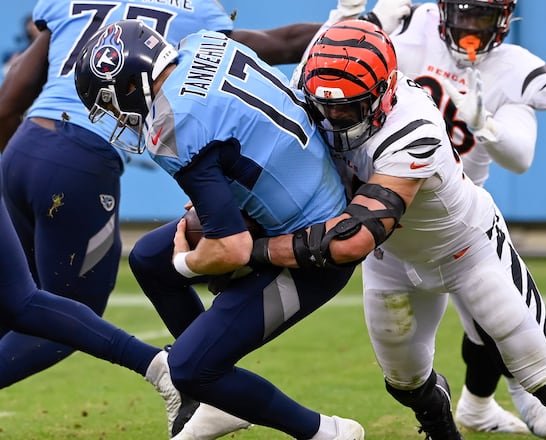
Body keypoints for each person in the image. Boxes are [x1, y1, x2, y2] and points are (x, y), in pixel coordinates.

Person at [227, 19, 546, 440]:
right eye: (326, 105)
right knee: (404, 382)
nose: (334, 117)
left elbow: (354, 236)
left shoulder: (413, 126)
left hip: (466, 250)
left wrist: (250, 249)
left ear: (383, 94)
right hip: (393, 258)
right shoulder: (314, 93)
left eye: (349, 105)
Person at [0, 0, 355, 395]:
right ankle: (188, 378)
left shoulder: (72, 8)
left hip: (22, 149)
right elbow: (283, 42)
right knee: (59, 312)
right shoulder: (198, 30)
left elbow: (10, 98)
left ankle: (202, 385)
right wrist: (354, 32)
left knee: (19, 301)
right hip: (78, 166)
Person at [73, 19, 365, 440]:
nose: (118, 116)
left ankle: (326, 432)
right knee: (148, 259)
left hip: (309, 250)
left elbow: (230, 250)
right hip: (302, 199)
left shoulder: (174, 123)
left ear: (132, 85)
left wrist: (189, 264)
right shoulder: (203, 45)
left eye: (112, 102)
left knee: (189, 366)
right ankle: (214, 401)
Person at [365, 0, 546, 436]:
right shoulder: (413, 30)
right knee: (439, 329)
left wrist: (487, 124)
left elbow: (521, 157)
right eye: (464, 13)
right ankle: (492, 400)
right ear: (442, 11)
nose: (470, 27)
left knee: (488, 318)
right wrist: (368, 20)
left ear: (505, 20)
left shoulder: (517, 68)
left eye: (482, 17)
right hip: (397, 196)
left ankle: (485, 401)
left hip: (459, 202)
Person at [0, 173, 199, 436]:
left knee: (24, 303)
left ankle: (157, 365)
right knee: (22, 303)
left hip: (46, 154)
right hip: (54, 153)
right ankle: (159, 365)